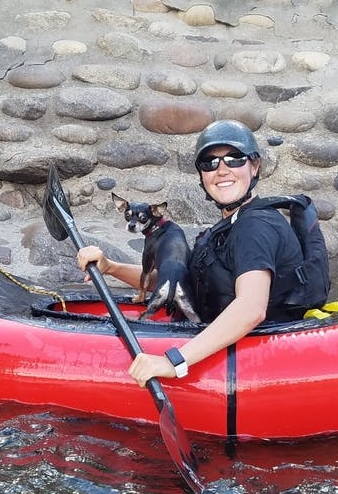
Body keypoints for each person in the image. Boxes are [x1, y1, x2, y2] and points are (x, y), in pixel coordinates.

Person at [76, 119, 324, 387]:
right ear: (202, 176)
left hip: (260, 362)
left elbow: (251, 308)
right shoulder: (228, 226)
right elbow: (175, 279)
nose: (222, 170)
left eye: (235, 159)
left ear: (255, 166)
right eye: (210, 163)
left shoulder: (255, 227)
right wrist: (110, 266)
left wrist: (172, 361)